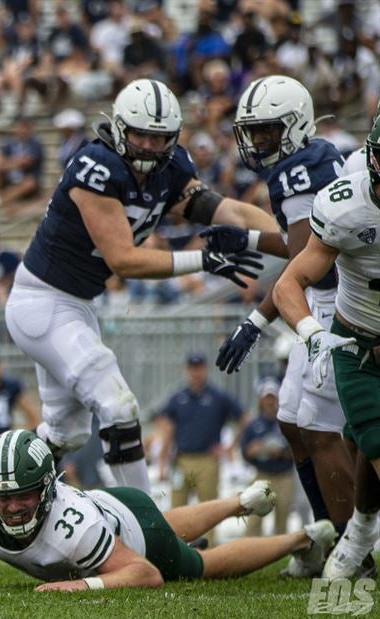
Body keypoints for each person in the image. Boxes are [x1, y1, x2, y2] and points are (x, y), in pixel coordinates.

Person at [3, 78, 279, 494]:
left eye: (159, 137)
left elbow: (225, 209)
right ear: (118, 129)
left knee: (66, 435)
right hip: (41, 303)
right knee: (117, 405)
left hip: (75, 306)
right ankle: (149, 526)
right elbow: (124, 261)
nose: (149, 145)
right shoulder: (95, 168)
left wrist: (291, 238)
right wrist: (203, 260)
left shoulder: (171, 171)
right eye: (140, 135)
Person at [0, 430, 336, 594]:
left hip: (131, 529)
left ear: (48, 490)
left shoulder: (72, 528)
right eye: (2, 497)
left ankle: (302, 540)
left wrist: (80, 585)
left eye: (23, 496)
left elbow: (145, 574)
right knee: (166, 524)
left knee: (197, 564)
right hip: (118, 510)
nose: (10, 507)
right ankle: (238, 503)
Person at [210, 75, 357, 571]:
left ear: (292, 127)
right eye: (252, 131)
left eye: (267, 131)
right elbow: (304, 245)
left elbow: (300, 267)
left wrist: (255, 320)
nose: (256, 142)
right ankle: (324, 536)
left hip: (336, 303)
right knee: (292, 422)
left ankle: (349, 548)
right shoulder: (318, 156)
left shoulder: (298, 170)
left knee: (317, 428)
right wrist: (249, 241)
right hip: (323, 296)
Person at [273, 111, 380, 580]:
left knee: (364, 448)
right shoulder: (345, 206)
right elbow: (289, 282)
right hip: (360, 346)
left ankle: (359, 529)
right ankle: (355, 535)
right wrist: (312, 336)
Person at [154, 353, 244, 542]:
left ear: (206, 369)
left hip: (207, 460)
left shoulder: (218, 397)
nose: (196, 372)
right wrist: (163, 462)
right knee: (177, 508)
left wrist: (229, 447)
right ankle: (177, 549)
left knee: (209, 508)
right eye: (192, 368)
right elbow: (167, 429)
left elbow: (244, 418)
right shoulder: (178, 398)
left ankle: (209, 552)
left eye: (199, 368)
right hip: (182, 459)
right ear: (187, 370)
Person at [239, 378, 295, 537]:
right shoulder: (253, 424)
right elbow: (245, 452)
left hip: (283, 476)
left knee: (283, 516)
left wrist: (281, 452)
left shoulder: (286, 422)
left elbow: (298, 450)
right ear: (261, 400)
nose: (269, 402)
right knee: (254, 518)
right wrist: (256, 449)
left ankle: (280, 552)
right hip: (261, 476)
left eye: (273, 398)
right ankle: (250, 552)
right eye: (266, 398)